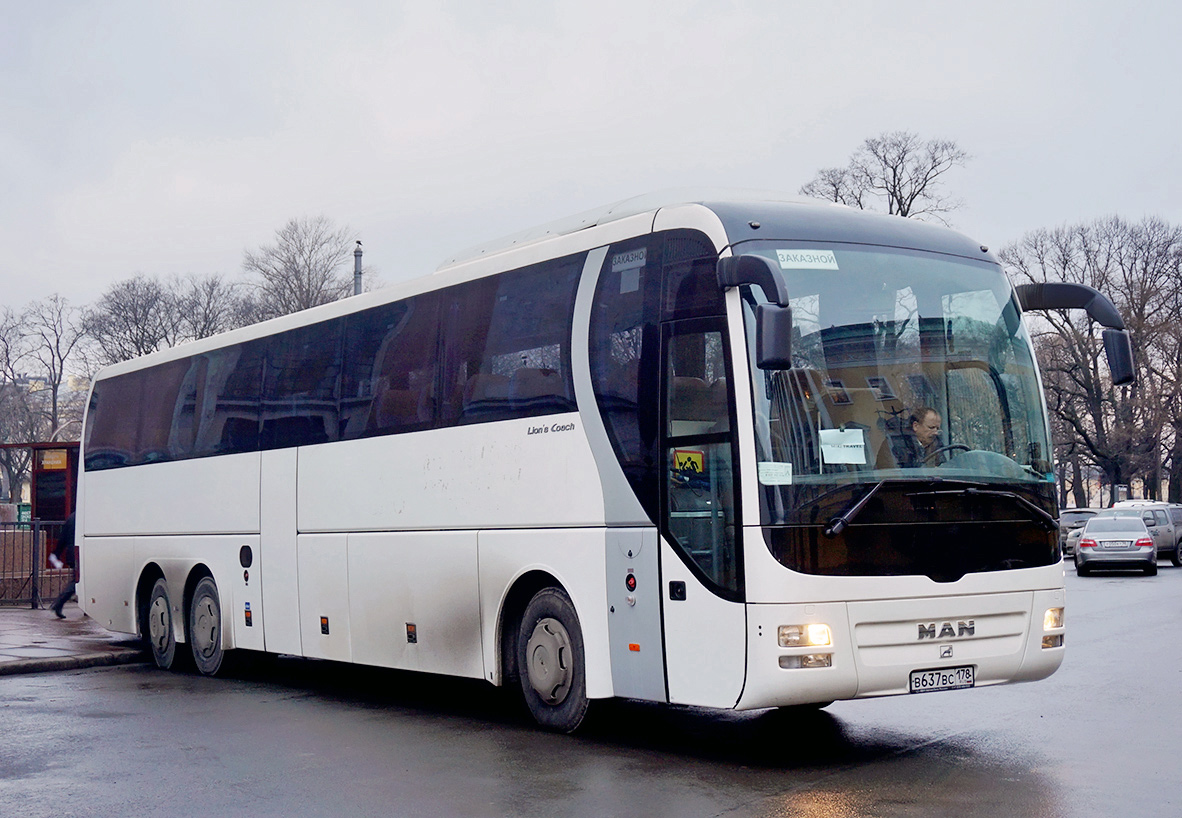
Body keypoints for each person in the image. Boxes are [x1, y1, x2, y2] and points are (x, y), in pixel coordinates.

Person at [49, 512, 76, 619]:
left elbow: (62, 538)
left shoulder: (71, 518)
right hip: (79, 553)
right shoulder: (83, 517)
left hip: (72, 553)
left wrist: (57, 553)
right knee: (78, 581)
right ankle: (58, 603)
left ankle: (59, 604)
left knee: (80, 581)